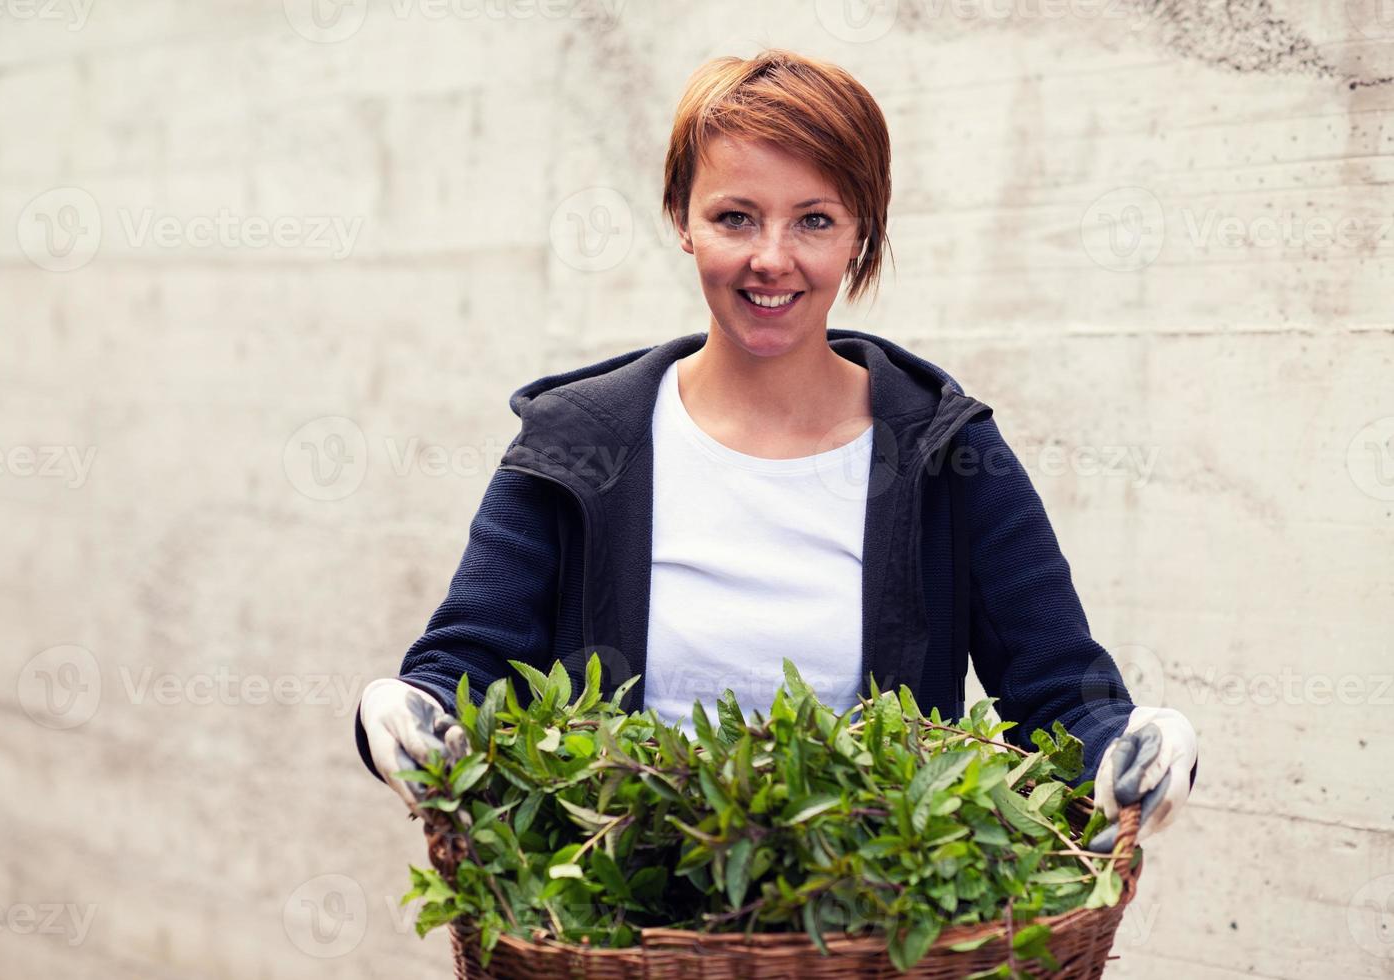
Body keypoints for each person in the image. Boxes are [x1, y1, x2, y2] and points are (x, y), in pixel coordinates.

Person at [356, 49, 1198, 856]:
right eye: (734, 217)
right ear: (682, 221)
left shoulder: (946, 455)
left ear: (860, 235)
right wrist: (401, 709)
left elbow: (1059, 698)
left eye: (814, 220)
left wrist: (1140, 745)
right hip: (621, 935)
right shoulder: (578, 445)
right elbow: (462, 668)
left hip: (866, 927)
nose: (771, 258)